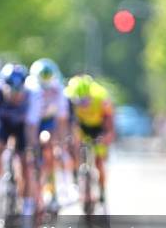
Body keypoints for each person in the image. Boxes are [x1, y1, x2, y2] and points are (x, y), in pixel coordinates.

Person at [0, 63, 39, 220]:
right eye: (11, 91)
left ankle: (26, 207)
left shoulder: (32, 95)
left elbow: (31, 127)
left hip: (22, 128)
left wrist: (31, 149)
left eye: (19, 92)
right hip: (3, 125)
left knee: (26, 162)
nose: (15, 96)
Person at [25, 58, 69, 211]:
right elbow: (30, 121)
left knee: (49, 143)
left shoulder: (58, 89)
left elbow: (62, 119)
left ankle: (53, 189)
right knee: (29, 151)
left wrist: (61, 144)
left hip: (49, 121)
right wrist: (31, 145)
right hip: (32, 120)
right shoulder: (31, 88)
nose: (45, 91)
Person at [64, 74, 114, 203]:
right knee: (74, 145)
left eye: (85, 101)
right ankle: (76, 176)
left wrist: (108, 135)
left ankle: (102, 188)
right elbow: (66, 120)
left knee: (99, 161)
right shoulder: (68, 96)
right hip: (81, 125)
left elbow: (109, 119)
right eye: (79, 102)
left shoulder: (100, 96)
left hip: (98, 125)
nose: (82, 105)